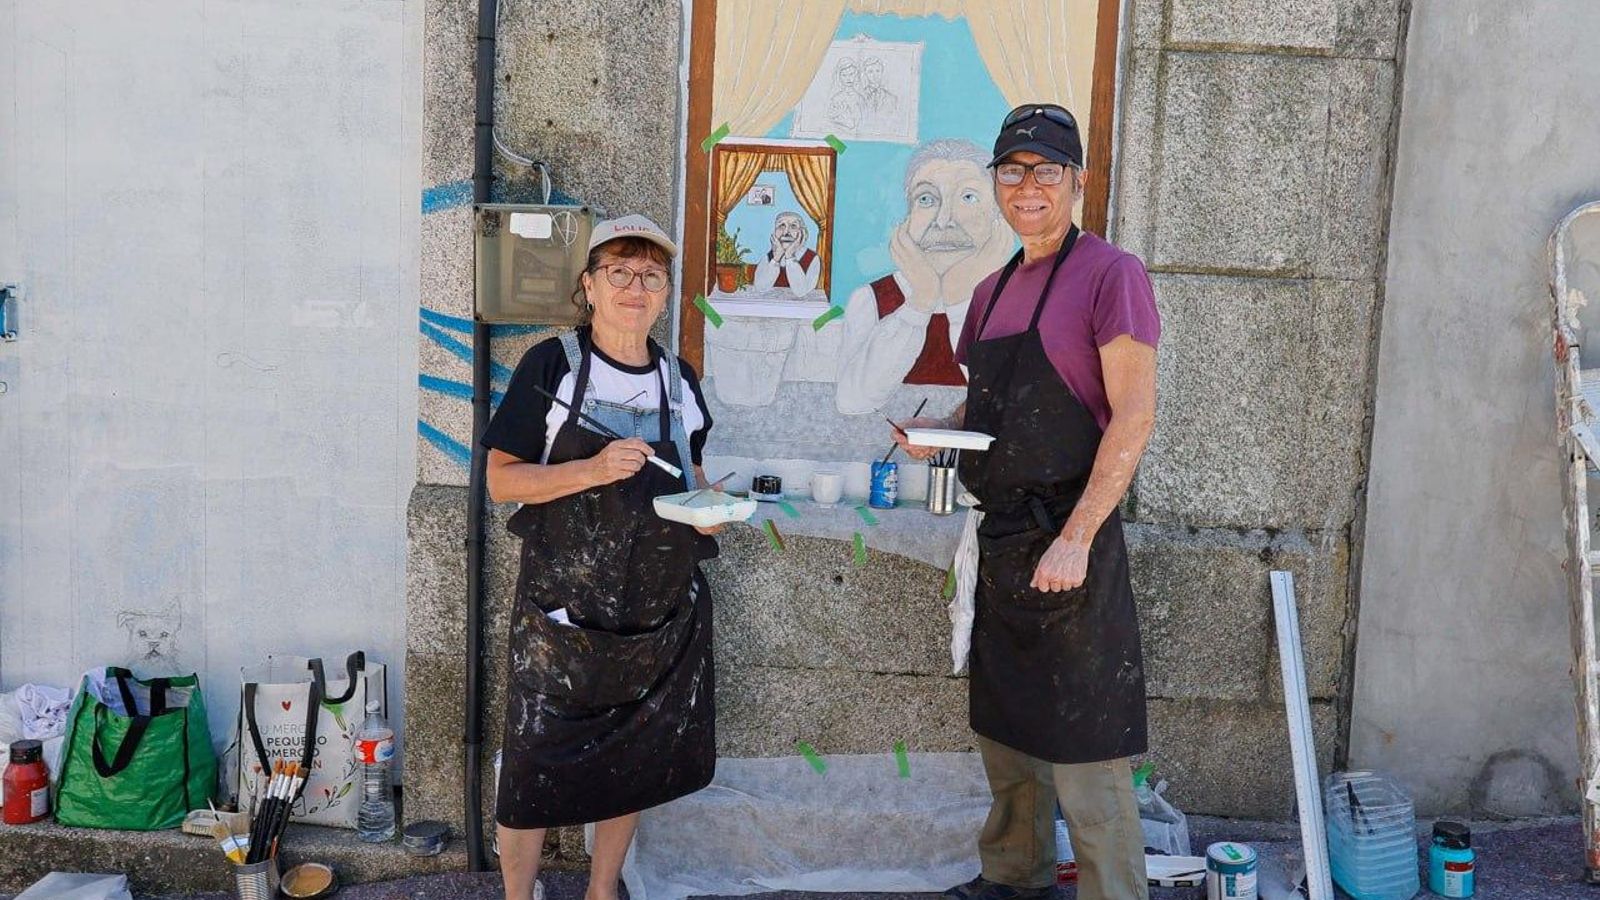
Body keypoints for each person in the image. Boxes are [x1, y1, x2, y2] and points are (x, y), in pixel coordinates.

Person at [893, 104, 1160, 900]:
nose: (1028, 186)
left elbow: (1134, 416)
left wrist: (1077, 537)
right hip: (1004, 543)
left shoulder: (1113, 275)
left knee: (1087, 757)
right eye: (1012, 170)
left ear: (1078, 181)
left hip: (1071, 540)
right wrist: (936, 431)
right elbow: (992, 417)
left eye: (1047, 169)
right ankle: (1014, 878)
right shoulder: (990, 290)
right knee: (1005, 738)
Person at [481, 214, 723, 900]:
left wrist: (715, 506)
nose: (635, 286)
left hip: (657, 611)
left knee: (634, 760)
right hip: (563, 612)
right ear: (588, 286)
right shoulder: (553, 363)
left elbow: (692, 478)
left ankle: (599, 892)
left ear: (667, 291)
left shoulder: (681, 380)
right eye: (619, 271)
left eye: (651, 274)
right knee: (530, 765)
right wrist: (591, 470)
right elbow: (502, 479)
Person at [834, 138, 1013, 415]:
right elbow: (851, 402)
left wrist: (960, 298)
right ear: (907, 217)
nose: (943, 220)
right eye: (926, 199)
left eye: (968, 197)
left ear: (996, 217)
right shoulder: (872, 300)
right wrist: (921, 301)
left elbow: (1009, 404)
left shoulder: (1019, 299)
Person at [751, 211, 821, 297]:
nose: (786, 232)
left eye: (793, 226)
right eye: (781, 226)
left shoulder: (812, 258)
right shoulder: (768, 257)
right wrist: (776, 258)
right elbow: (760, 288)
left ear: (802, 233)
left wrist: (790, 256)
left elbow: (801, 292)